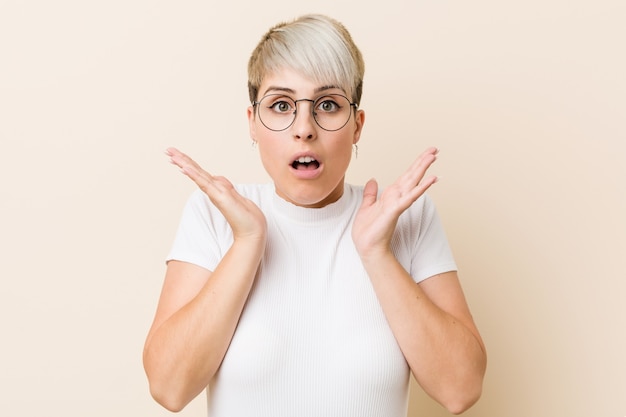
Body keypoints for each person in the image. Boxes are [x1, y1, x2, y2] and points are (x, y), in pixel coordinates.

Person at [143, 13, 486, 417]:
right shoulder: (215, 215)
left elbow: (460, 389)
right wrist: (248, 242)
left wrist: (377, 253)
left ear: (357, 125)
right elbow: (169, 388)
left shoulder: (406, 218)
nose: (304, 128)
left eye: (327, 104)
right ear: (253, 123)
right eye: (281, 104)